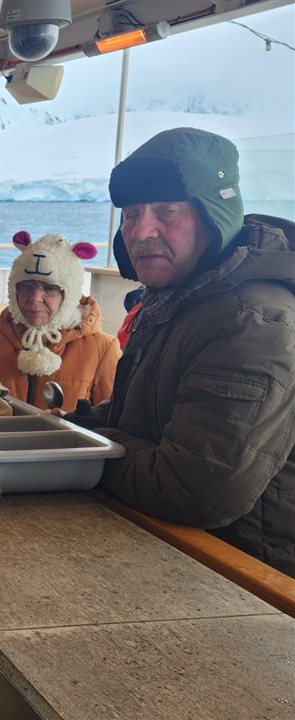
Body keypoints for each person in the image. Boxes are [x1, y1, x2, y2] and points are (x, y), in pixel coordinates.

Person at [73, 127, 293, 574]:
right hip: (175, 553)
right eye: (131, 214)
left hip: (246, 579)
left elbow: (196, 489)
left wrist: (79, 448)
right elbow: (153, 416)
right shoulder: (180, 298)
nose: (142, 230)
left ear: (215, 213)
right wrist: (69, 424)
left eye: (167, 211)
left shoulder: (249, 321)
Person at [0, 231, 120, 411]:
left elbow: (109, 424)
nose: (35, 298)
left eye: (49, 288)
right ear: (14, 289)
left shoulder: (103, 349)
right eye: (27, 286)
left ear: (69, 295)